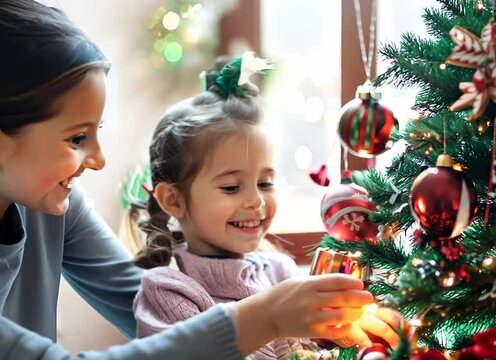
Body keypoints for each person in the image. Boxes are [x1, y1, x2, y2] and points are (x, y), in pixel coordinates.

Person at [0, 1, 387, 359]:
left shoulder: (51, 202)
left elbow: (143, 307)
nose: (99, 160)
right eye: (77, 139)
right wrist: (267, 316)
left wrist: (331, 316)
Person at [131, 54, 402, 359]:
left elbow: (313, 349)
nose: (256, 201)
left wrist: (350, 331)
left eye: (265, 183)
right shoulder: (169, 290)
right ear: (173, 200)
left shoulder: (279, 272)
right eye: (231, 187)